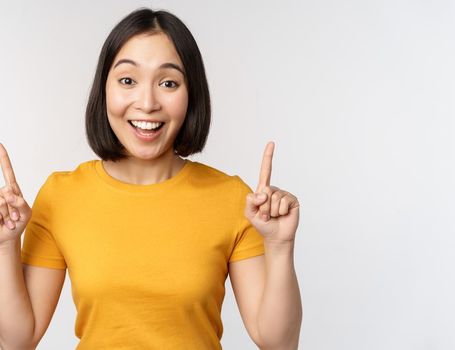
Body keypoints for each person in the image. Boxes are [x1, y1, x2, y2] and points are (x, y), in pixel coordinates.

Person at [0, 8, 302, 350]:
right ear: (104, 90)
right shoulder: (61, 196)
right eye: (127, 80)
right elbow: (18, 340)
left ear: (191, 95)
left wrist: (279, 247)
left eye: (168, 83)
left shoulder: (232, 198)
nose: (146, 103)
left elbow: (278, 343)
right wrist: (5, 245)